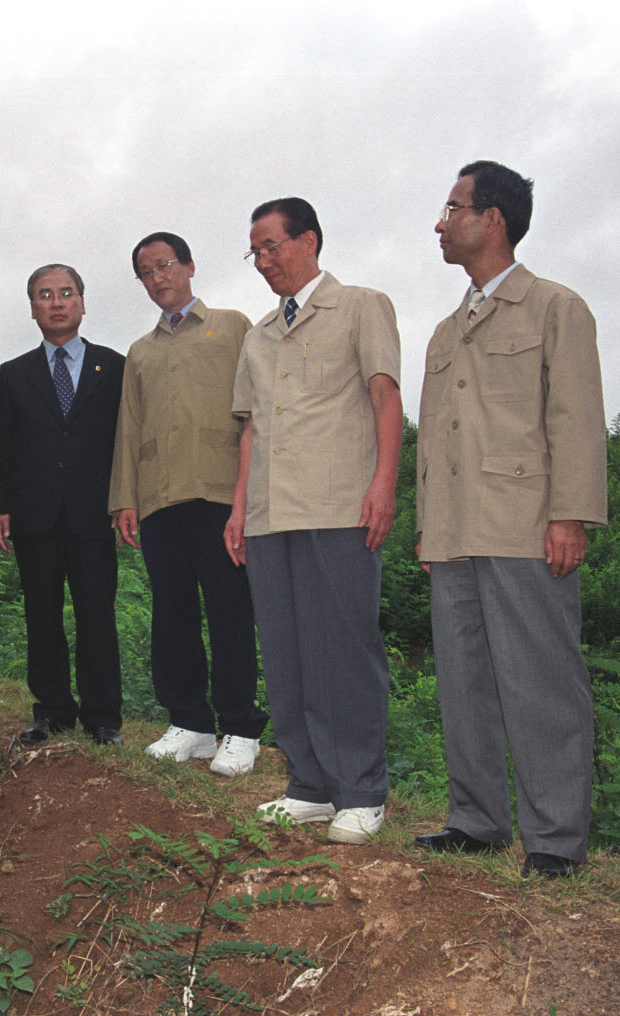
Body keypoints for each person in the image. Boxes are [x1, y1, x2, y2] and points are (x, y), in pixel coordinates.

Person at [413, 161, 608, 879]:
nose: (441, 221)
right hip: (455, 532)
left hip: (526, 525)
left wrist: (572, 516)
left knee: (541, 683)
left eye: (453, 207)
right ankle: (477, 819)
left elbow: (578, 419)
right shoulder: (443, 331)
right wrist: (430, 527)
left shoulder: (556, 307)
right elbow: (434, 435)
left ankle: (554, 839)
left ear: (491, 218)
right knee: (464, 683)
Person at [223, 197, 403, 845]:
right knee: (288, 650)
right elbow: (250, 432)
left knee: (346, 649)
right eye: (256, 251)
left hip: (338, 504)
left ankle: (360, 789)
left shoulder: (360, 306)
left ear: (310, 241)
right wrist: (240, 508)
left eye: (272, 246)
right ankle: (309, 783)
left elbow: (385, 397)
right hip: (272, 514)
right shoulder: (259, 335)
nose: (264, 261)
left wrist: (384, 483)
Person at [111, 231, 266, 775]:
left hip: (223, 496)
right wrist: (123, 500)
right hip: (159, 500)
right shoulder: (140, 352)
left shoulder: (234, 327)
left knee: (230, 611)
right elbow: (129, 430)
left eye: (167, 265)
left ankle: (241, 727)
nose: (159, 278)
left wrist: (251, 498)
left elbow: (255, 414)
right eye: (147, 272)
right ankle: (190, 724)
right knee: (171, 614)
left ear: (190, 266)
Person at [0, 264, 125, 745]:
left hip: (94, 513)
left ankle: (103, 716)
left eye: (66, 293)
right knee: (41, 614)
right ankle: (51, 710)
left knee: (97, 614)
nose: (56, 302)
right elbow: (4, 445)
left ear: (83, 302)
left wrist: (124, 500)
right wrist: (1, 506)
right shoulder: (14, 373)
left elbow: (125, 441)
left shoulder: (114, 367)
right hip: (35, 514)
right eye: (45, 295)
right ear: (32, 308)